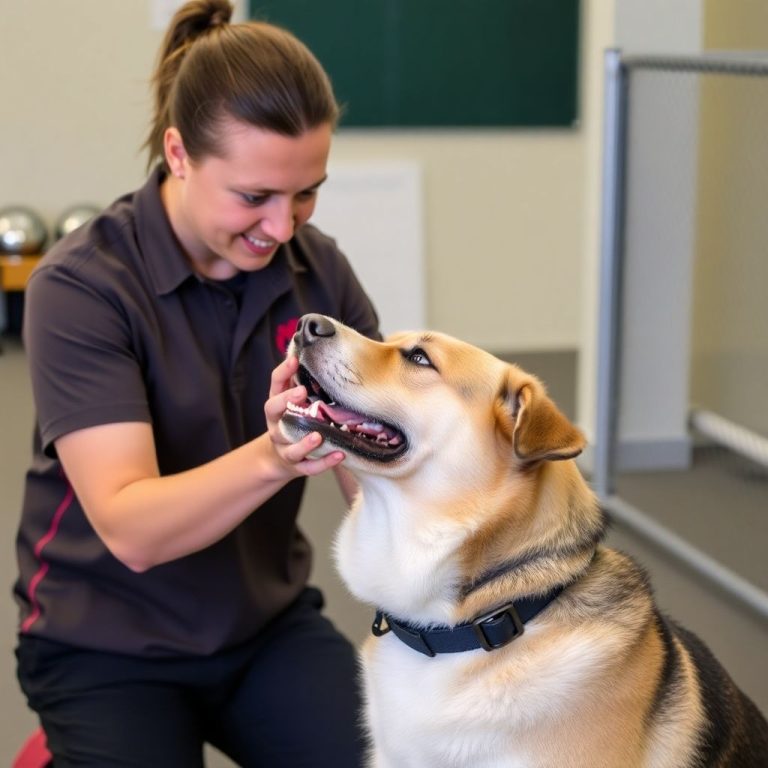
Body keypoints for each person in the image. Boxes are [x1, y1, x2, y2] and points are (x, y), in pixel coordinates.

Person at [13, 2, 380, 765]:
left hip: (263, 628)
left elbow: (375, 481)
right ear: (179, 154)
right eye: (254, 197)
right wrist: (277, 456)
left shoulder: (319, 270)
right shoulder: (81, 288)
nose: (284, 228)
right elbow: (133, 531)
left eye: (306, 191)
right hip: (105, 647)